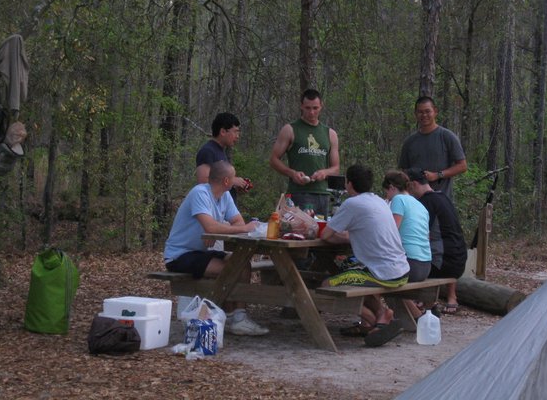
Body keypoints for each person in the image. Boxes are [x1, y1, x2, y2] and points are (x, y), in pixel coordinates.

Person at [164, 160, 269, 336]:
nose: (236, 180)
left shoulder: (224, 196)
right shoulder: (200, 193)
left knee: (243, 265)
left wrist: (219, 229)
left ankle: (238, 318)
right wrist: (234, 229)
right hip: (180, 255)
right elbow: (212, 227)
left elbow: (237, 221)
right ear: (226, 181)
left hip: (201, 253)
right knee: (232, 269)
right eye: (234, 177)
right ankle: (229, 314)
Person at [321, 164, 410, 347]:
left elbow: (325, 235)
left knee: (327, 285)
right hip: (402, 269)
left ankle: (372, 320)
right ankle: (383, 314)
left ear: (349, 184)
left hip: (384, 273)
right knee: (357, 278)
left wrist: (338, 236)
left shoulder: (352, 203)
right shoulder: (379, 201)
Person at [269, 88, 340, 218]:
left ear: (321, 106)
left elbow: (336, 168)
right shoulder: (290, 129)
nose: (311, 112)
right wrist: (292, 173)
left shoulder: (330, 134)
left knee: (321, 228)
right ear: (301, 106)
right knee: (301, 228)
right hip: (299, 192)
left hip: (323, 194)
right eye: (308, 108)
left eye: (315, 108)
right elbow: (274, 159)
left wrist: (324, 173)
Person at [406, 167, 467, 314]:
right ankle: (424, 303)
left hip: (444, 264)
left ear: (413, 184)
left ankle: (415, 311)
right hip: (459, 262)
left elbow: (421, 237)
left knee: (397, 272)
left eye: (406, 188)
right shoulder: (442, 197)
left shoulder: (425, 203)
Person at [382, 169, 432, 320]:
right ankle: (417, 317)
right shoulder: (420, 205)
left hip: (410, 264)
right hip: (425, 265)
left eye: (386, 192)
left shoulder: (398, 200)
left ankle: (377, 318)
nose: (386, 196)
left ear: (391, 187)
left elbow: (392, 232)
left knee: (373, 276)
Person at [398, 96, 467, 200]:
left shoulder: (447, 136)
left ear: (435, 111)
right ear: (415, 114)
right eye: (420, 112)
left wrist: (437, 175)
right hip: (415, 202)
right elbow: (403, 171)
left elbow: (462, 166)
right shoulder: (409, 142)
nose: (424, 115)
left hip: (441, 200)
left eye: (427, 111)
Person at [195, 112, 249, 192]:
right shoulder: (208, 151)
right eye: (235, 132)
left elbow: (219, 184)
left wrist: (234, 186)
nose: (237, 136)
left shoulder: (219, 151)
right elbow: (203, 182)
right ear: (223, 132)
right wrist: (233, 180)